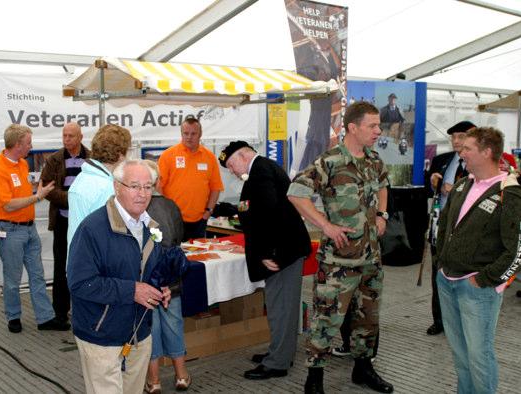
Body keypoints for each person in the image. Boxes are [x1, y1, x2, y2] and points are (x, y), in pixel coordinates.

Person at [288, 101, 393, 394]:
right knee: (326, 320)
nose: (378, 130)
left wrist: (383, 214)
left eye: (378, 124)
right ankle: (315, 378)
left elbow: (384, 185)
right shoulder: (330, 161)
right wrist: (326, 225)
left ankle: (363, 369)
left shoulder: (374, 159)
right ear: (352, 127)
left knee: (368, 318)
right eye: (372, 125)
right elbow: (296, 193)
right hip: (338, 262)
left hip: (371, 258)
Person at [67, 159, 189, 394]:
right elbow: (80, 283)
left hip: (139, 334)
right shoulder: (92, 230)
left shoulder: (150, 227)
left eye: (147, 186)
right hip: (101, 334)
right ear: (117, 187)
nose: (142, 194)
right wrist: (132, 291)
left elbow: (147, 272)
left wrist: (160, 288)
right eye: (134, 186)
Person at [434, 127, 521, 394]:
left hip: (476, 288)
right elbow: (445, 227)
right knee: (461, 356)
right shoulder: (463, 184)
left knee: (479, 357)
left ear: (487, 152)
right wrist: (441, 262)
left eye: (468, 148)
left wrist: (486, 279)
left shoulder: (510, 192)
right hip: (447, 281)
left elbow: (517, 250)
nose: (461, 152)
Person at [218, 141, 311, 381]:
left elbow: (270, 214)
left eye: (231, 164)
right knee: (283, 308)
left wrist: (270, 253)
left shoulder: (259, 171)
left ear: (244, 154)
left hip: (282, 254)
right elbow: (257, 209)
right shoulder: (263, 168)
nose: (231, 171)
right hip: (284, 251)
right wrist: (231, 209)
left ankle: (277, 363)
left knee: (281, 309)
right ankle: (280, 352)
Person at [0, 124, 70, 333]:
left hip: (29, 229)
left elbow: (21, 192)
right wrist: (37, 197)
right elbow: (8, 204)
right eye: (28, 143)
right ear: (16, 145)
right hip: (10, 231)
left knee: (37, 275)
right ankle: (13, 317)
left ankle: (45, 318)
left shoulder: (22, 164)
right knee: (13, 278)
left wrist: (37, 190)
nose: (31, 147)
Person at [424, 120, 475, 336]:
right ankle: (440, 320)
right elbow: (431, 191)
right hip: (441, 228)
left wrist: (454, 190)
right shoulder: (441, 161)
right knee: (439, 276)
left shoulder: (479, 163)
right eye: (452, 137)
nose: (455, 141)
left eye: (461, 136)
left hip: (467, 230)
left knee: (464, 276)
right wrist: (433, 182)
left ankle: (464, 322)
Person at [144, 161, 191, 393]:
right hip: (171, 275)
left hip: (148, 277)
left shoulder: (138, 207)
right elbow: (180, 235)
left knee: (151, 326)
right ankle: (181, 375)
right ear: (159, 181)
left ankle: (154, 381)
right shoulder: (171, 205)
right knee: (173, 323)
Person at [39, 122, 90, 323]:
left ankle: (84, 309)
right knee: (61, 267)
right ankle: (60, 313)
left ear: (80, 137)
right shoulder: (54, 160)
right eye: (64, 135)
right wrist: (74, 198)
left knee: (85, 266)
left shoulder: (91, 158)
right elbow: (47, 189)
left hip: (85, 223)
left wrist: (79, 200)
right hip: (62, 221)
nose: (66, 139)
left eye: (70, 136)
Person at [158, 116, 224, 241]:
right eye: (186, 133)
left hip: (200, 220)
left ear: (200, 134)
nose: (189, 137)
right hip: (174, 219)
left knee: (197, 257)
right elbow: (159, 186)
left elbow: (216, 187)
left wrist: (209, 211)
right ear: (181, 133)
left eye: (193, 133)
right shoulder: (168, 155)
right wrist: (166, 212)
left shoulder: (209, 157)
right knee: (175, 256)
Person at [67, 124, 131, 243]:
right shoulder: (108, 188)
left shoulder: (82, 177)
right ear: (120, 154)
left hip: (80, 253)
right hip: (97, 257)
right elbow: (113, 237)